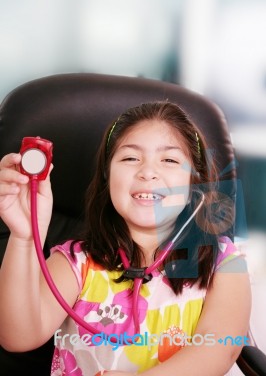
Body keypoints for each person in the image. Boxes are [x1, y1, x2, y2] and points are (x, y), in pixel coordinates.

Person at [0, 101, 251, 375]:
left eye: (169, 160)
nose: (147, 172)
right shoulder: (75, 261)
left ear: (195, 182)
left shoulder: (224, 263)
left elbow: (217, 350)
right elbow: (17, 337)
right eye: (131, 158)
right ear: (107, 175)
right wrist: (23, 236)